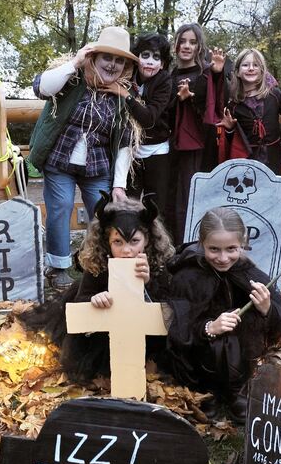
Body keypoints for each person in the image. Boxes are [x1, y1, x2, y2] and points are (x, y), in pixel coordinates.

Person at [28, 26, 139, 290]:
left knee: (102, 215)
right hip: (60, 161)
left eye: (119, 60)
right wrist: (75, 62)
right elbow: (41, 87)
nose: (112, 65)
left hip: (97, 167)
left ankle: (99, 266)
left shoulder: (122, 97)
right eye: (107, 58)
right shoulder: (73, 78)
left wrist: (119, 184)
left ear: (124, 66)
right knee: (61, 206)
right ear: (94, 57)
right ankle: (57, 268)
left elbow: (125, 141)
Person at [20, 194, 175, 382]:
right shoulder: (98, 267)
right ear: (107, 243)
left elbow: (167, 310)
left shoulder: (157, 265)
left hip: (144, 335)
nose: (127, 251)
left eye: (134, 241)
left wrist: (148, 282)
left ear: (147, 240)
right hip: (105, 334)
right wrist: (94, 299)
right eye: (118, 242)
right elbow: (82, 301)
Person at [165, 207, 281, 423]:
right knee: (216, 342)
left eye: (231, 248)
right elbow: (177, 331)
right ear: (202, 243)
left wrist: (267, 308)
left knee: (247, 324)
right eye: (214, 249)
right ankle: (206, 393)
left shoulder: (247, 272)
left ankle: (238, 393)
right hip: (199, 360)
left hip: (240, 358)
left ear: (243, 243)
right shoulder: (187, 277)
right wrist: (209, 328)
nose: (223, 258)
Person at [217, 48, 281, 176]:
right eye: (245, 65)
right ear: (237, 72)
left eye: (255, 65)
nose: (251, 68)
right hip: (246, 162)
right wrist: (230, 129)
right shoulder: (234, 104)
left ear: (262, 71)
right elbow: (231, 142)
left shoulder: (274, 95)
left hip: (272, 160)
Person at [168, 23, 227, 240]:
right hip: (172, 145)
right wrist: (178, 100)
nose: (186, 46)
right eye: (182, 41)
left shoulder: (205, 73)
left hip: (198, 146)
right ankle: (173, 243)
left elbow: (216, 105)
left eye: (192, 42)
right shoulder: (171, 73)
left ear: (198, 46)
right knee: (173, 195)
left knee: (190, 194)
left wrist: (217, 75)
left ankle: (190, 243)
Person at [111, 32, 173, 217]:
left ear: (162, 63)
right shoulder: (127, 76)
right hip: (131, 150)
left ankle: (156, 244)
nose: (150, 62)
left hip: (157, 149)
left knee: (155, 206)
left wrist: (125, 95)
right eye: (145, 55)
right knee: (129, 203)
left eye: (156, 58)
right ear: (137, 57)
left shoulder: (165, 81)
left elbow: (149, 118)